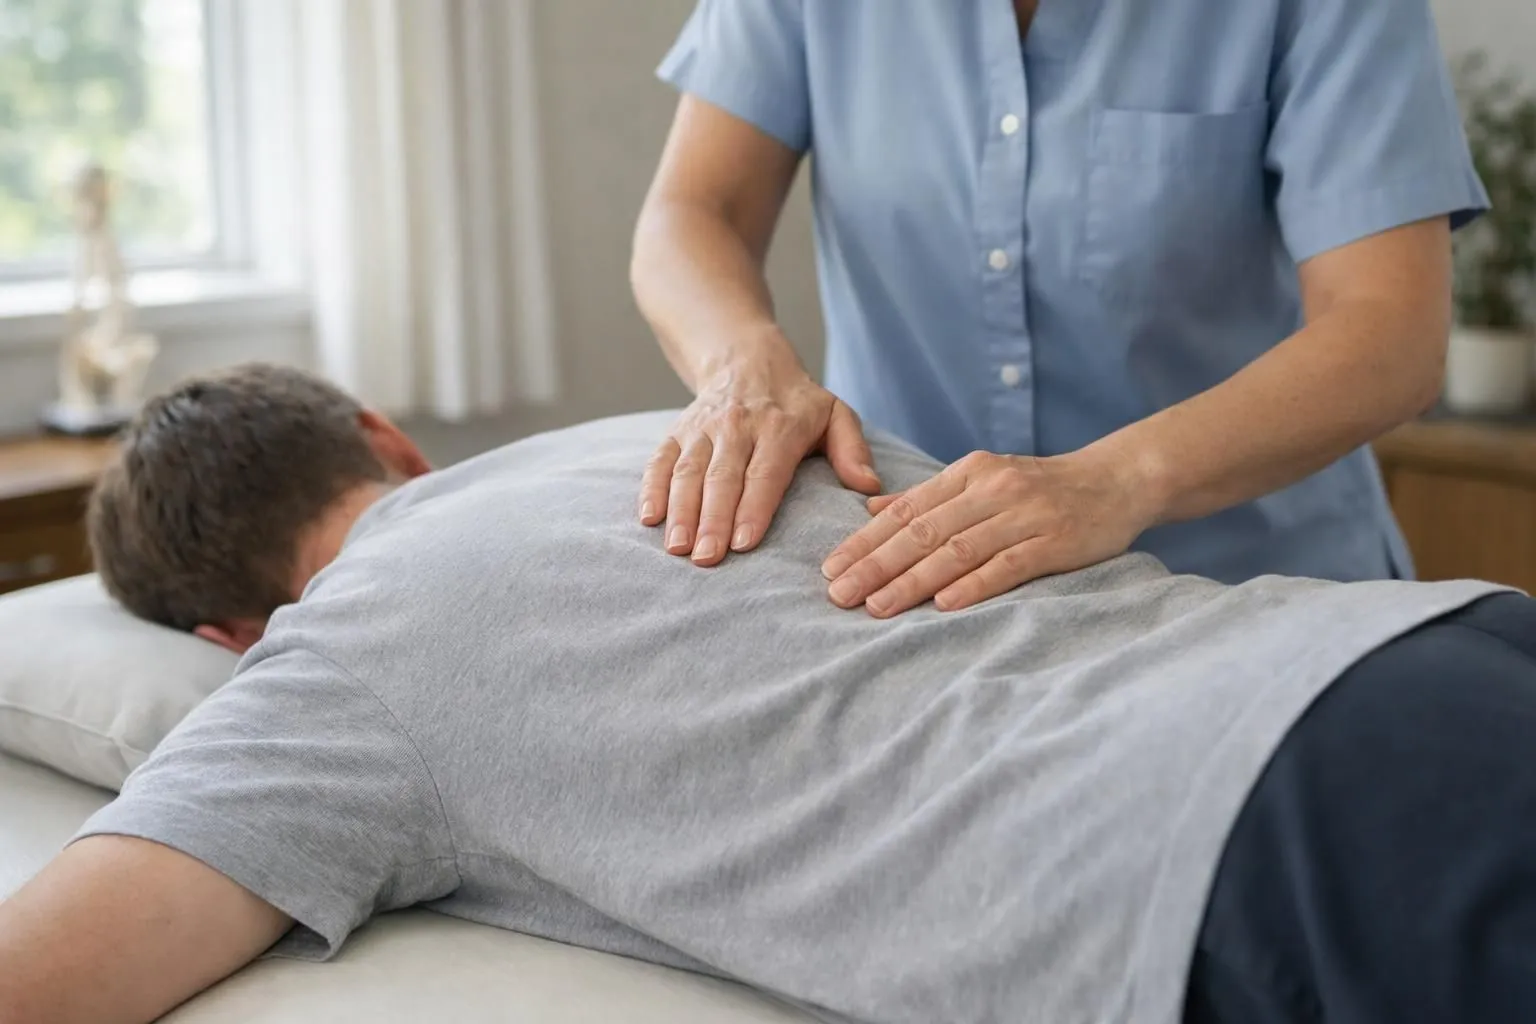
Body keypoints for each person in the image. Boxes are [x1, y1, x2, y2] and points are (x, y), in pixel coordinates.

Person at [2, 364, 1534, 1024]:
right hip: (1425, 646)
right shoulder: (688, 427)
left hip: (1244, 840)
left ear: (218, 633)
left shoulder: (323, 678)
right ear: (391, 439)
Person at [630, 0, 1486, 618]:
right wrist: (744, 364)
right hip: (928, 608)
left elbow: (1392, 332)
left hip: (1256, 597)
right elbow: (691, 214)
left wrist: (1116, 481)